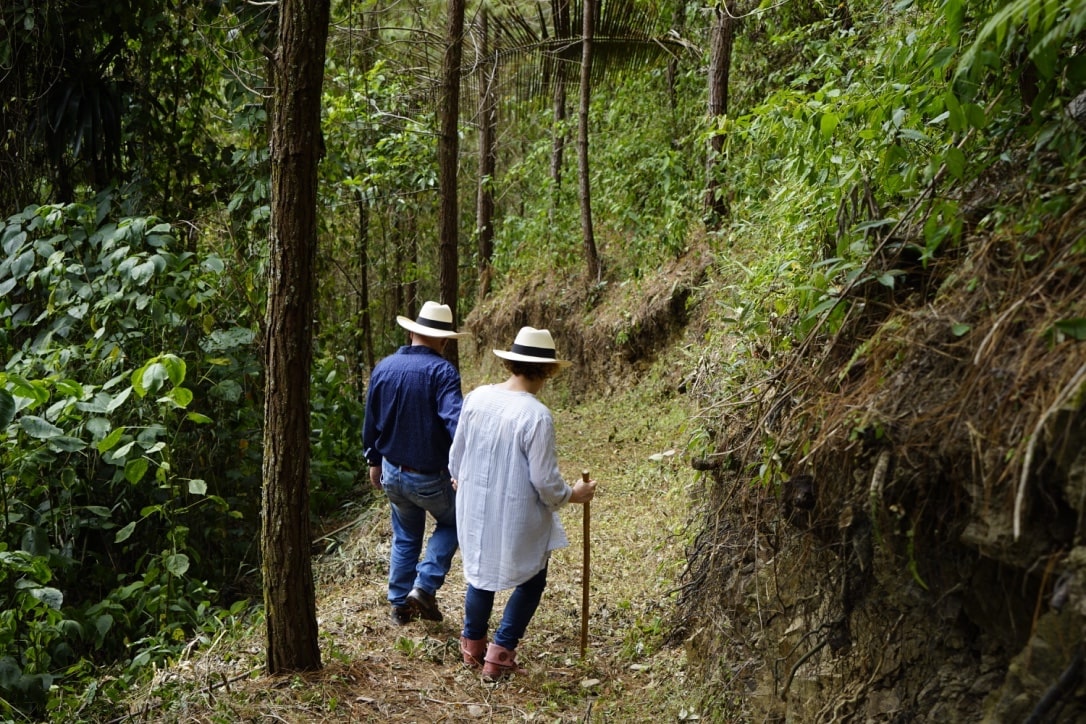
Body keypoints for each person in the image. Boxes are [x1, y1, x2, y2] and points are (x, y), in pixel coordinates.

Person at [448, 326, 597, 681]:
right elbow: (545, 481)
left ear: (512, 363)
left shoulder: (477, 397)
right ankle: (500, 654)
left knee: (480, 572)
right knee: (532, 576)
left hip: (474, 505)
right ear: (546, 371)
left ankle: (472, 645)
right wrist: (572, 495)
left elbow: (456, 457)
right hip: (516, 511)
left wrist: (461, 480)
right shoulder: (536, 415)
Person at [363, 301, 468, 626]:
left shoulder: (384, 367)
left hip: (393, 472)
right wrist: (466, 465)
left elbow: (371, 420)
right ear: (444, 340)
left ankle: (399, 605)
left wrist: (373, 460)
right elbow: (456, 422)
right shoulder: (442, 371)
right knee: (456, 522)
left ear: (411, 331)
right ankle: (424, 586)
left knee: (406, 535)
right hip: (430, 477)